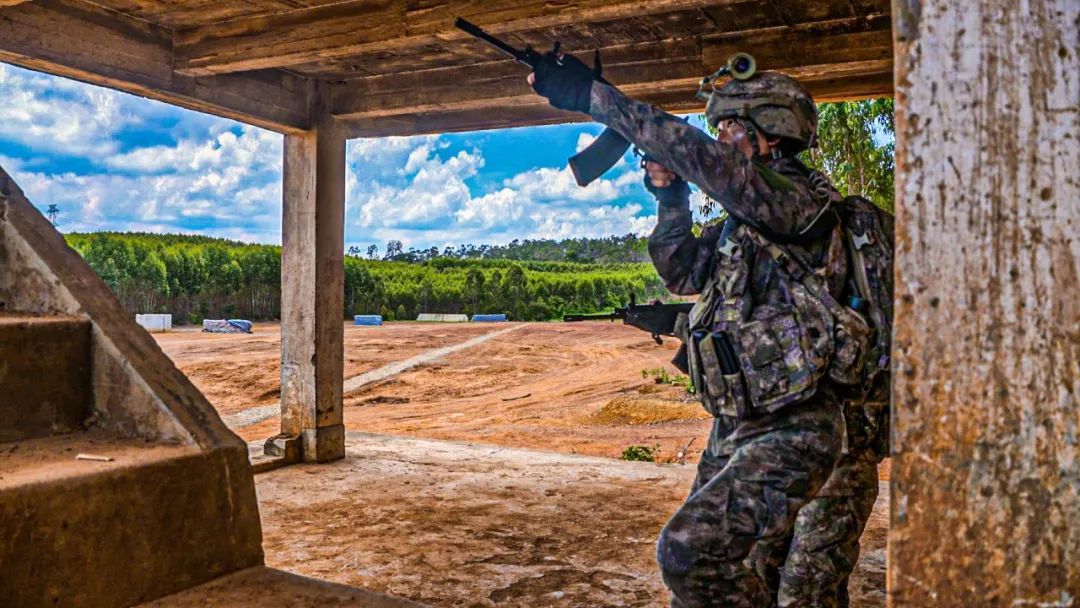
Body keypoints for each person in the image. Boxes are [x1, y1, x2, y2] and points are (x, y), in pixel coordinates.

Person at [528, 51, 890, 608]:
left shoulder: (798, 204)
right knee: (729, 577)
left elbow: (709, 163)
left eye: (728, 129)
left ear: (767, 134)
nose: (718, 142)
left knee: (778, 580)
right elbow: (683, 272)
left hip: (804, 423)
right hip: (742, 421)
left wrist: (596, 98)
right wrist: (670, 197)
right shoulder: (742, 227)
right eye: (717, 131)